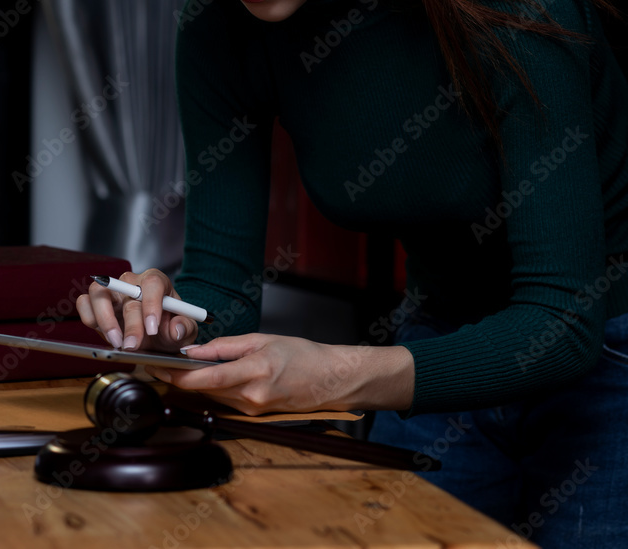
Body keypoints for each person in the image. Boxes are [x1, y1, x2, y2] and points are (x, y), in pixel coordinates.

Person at [76, 0, 628, 546]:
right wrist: (164, 322)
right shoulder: (217, 21)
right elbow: (221, 292)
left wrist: (336, 377)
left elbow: (564, 323)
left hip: (607, 346)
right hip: (444, 332)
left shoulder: (514, 9)